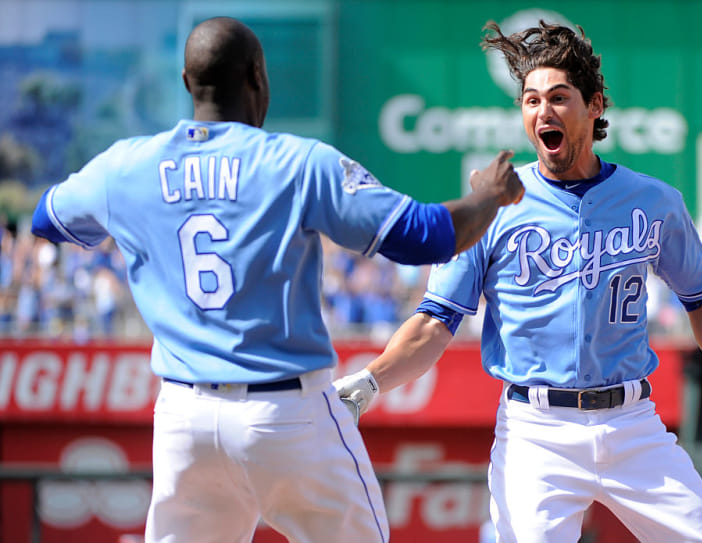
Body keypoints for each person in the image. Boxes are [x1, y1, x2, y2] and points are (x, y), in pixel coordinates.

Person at [29, 16, 524, 543]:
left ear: (186, 83)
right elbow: (425, 236)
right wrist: (489, 196)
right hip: (286, 413)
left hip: (183, 420)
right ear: (258, 78)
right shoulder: (297, 162)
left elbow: (45, 218)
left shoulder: (124, 166)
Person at [335, 20, 702, 543]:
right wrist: (370, 380)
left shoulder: (654, 201)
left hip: (632, 421)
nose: (543, 111)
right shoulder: (491, 208)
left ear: (595, 105)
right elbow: (436, 321)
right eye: (531, 100)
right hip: (534, 432)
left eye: (559, 98)